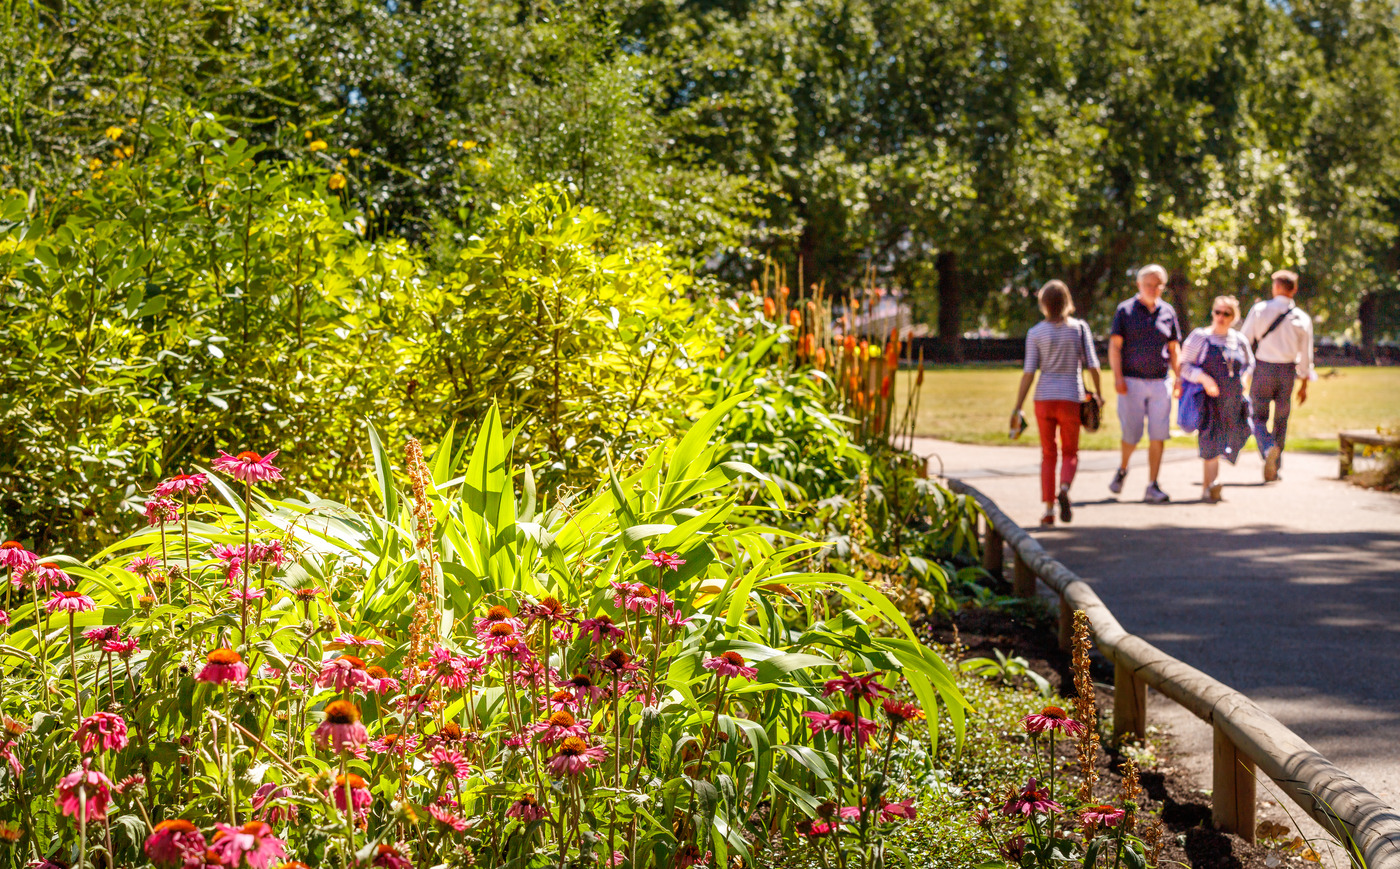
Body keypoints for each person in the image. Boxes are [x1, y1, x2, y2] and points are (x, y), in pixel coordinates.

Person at [1012, 280, 1103, 526]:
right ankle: (1064, 487)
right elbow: (1093, 365)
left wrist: (1018, 405)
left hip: (1043, 398)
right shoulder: (1079, 329)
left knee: (1048, 454)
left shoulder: (1035, 332)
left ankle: (1049, 509)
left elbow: (1029, 371)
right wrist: (1099, 394)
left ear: (1043, 303)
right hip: (1071, 397)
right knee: (1070, 452)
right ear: (1067, 301)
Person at [1107, 264, 1183, 502]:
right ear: (1139, 285)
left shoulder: (1168, 312)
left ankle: (1152, 484)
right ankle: (1123, 468)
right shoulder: (1125, 311)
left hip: (1160, 382)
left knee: (1158, 434)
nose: (1153, 288)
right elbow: (1115, 347)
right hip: (1131, 382)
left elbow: (1174, 348)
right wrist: (1117, 377)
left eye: (1158, 284)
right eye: (1149, 284)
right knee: (1131, 433)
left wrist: (1179, 377)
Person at [1240, 269, 1313, 481]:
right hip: (1287, 372)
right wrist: (1304, 383)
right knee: (1281, 420)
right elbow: (1306, 356)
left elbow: (1244, 340)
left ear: (1277, 287)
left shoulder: (1260, 309)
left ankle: (1267, 447)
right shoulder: (1302, 318)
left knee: (1257, 415)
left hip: (1263, 369)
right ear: (1294, 289)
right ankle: (1276, 467)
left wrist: (1243, 371)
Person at [1179, 296, 1254, 502]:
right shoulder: (1200, 337)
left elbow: (1250, 364)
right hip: (1208, 401)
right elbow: (1184, 365)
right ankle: (1209, 486)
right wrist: (1204, 379)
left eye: (1226, 314)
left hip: (1233, 400)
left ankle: (1212, 485)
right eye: (1217, 312)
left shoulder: (1239, 340)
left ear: (1234, 317)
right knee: (1210, 441)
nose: (1220, 317)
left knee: (1231, 439)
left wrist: (1245, 378)